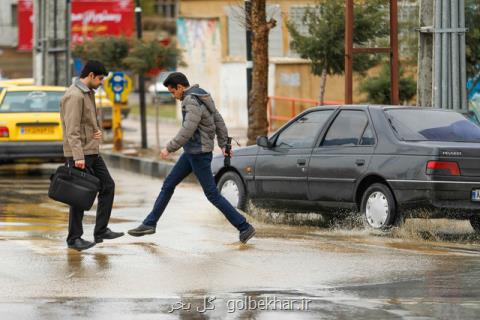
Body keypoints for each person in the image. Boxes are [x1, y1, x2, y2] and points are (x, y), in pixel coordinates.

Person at [128, 72, 256, 244]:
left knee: (212, 194)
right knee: (169, 184)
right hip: (192, 153)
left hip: (198, 153)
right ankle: (149, 223)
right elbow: (218, 120)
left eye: (173, 92)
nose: (173, 96)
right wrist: (224, 144)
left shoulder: (190, 100)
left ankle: (244, 226)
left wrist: (170, 147)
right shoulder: (202, 95)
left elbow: (188, 129)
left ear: (180, 87)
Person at [60, 60, 124, 251]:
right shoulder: (74, 96)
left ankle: (101, 230)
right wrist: (78, 156)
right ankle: (74, 239)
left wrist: (96, 131)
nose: (102, 82)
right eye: (100, 79)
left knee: (108, 186)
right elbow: (71, 129)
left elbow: (85, 122)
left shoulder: (87, 93)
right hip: (80, 154)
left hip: (92, 151)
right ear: (90, 76)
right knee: (79, 195)